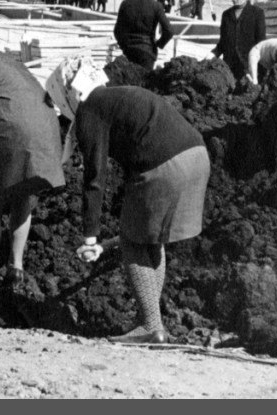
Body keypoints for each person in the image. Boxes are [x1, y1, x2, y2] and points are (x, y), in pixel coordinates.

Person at [50, 55, 210, 344]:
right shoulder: (115, 96)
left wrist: (90, 238)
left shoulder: (90, 110)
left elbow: (95, 179)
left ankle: (150, 325)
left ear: (66, 93)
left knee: (133, 241)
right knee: (149, 239)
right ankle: (151, 321)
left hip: (164, 164)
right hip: (197, 155)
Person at [0, 51, 65, 286]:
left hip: (15, 131)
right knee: (23, 193)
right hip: (46, 130)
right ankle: (17, 265)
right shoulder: (8, 62)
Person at [113, 0, 173, 71]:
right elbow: (169, 31)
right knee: (143, 84)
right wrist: (159, 44)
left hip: (128, 51)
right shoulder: (156, 6)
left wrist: (124, 45)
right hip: (147, 52)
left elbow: (117, 31)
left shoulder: (126, 3)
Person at [212, 0, 266, 81]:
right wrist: (211, 56)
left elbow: (261, 42)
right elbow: (223, 42)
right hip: (229, 67)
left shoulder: (257, 13)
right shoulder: (226, 15)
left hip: (249, 66)